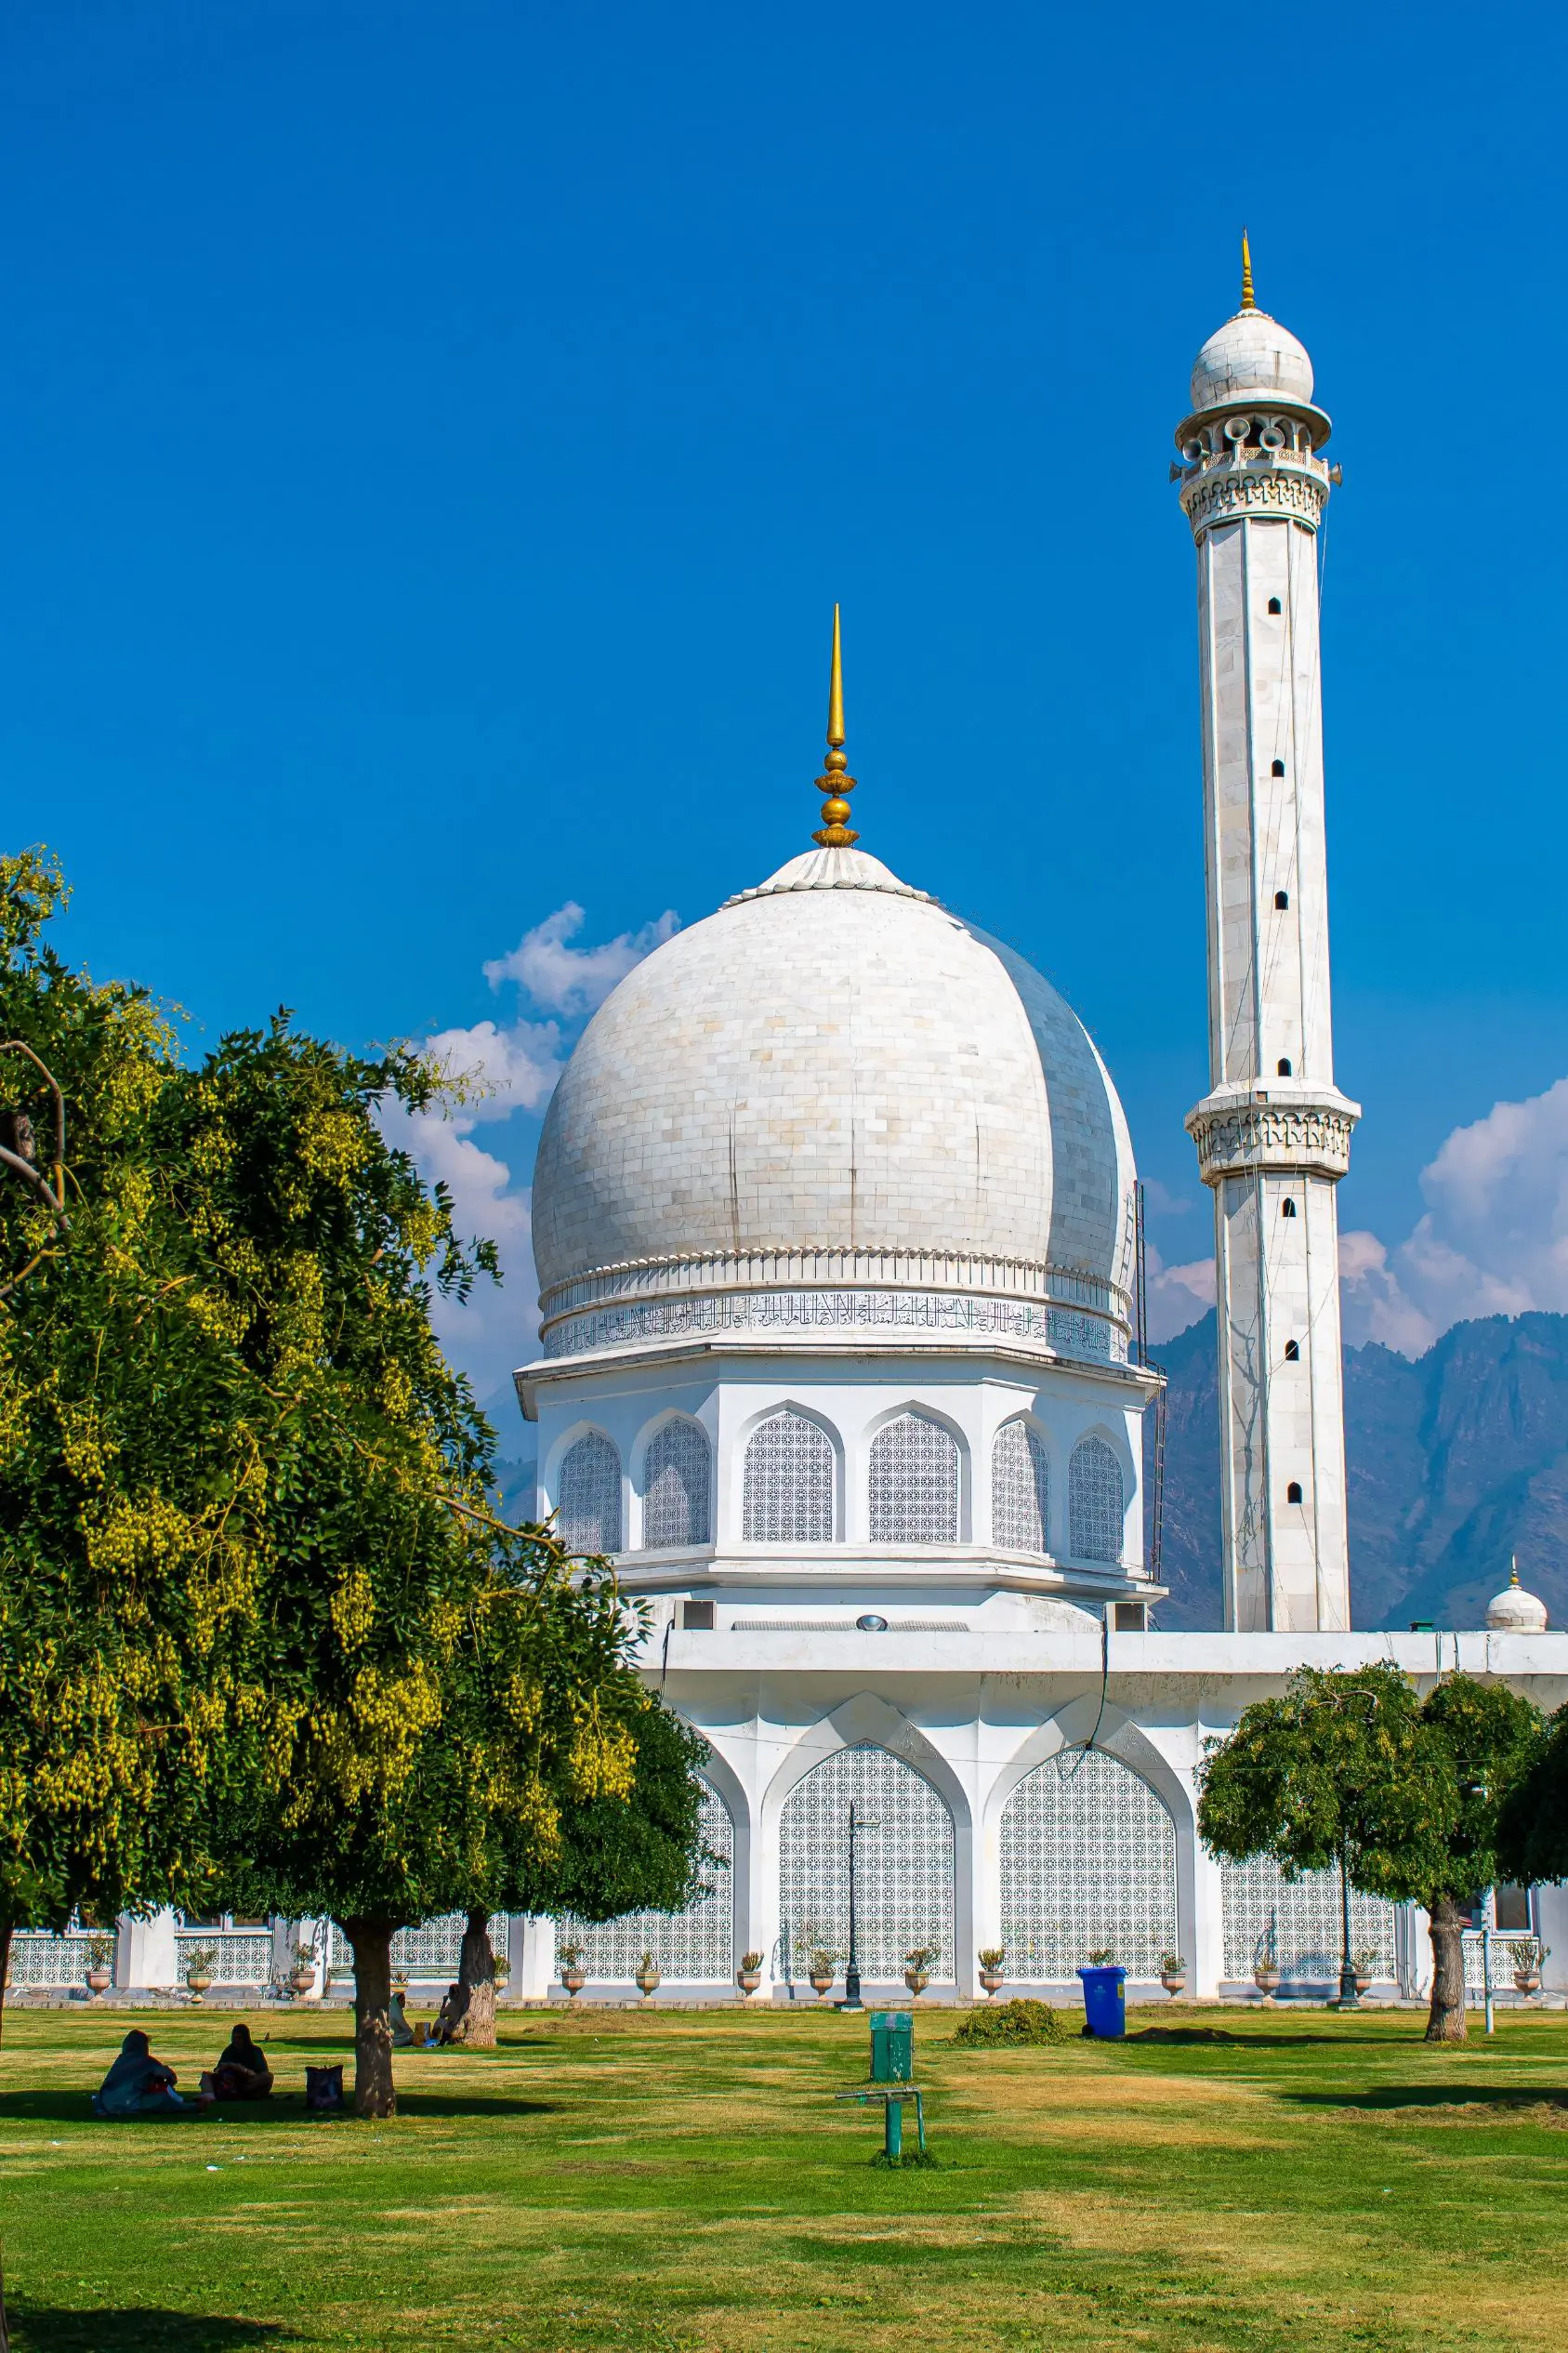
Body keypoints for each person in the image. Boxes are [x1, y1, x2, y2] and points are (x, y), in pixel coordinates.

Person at [93, 2029, 209, 2118]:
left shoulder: (120, 2061)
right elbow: (171, 2076)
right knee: (162, 2100)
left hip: (107, 2103)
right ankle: (192, 2107)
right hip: (128, 2102)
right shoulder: (147, 2062)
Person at [200, 2020, 274, 2102]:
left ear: (245, 2038)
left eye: (239, 2038)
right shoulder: (229, 2050)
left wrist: (240, 2069)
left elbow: (262, 2073)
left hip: (248, 2083)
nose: (236, 2041)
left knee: (268, 2077)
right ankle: (209, 2096)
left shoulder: (255, 2051)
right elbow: (218, 2069)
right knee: (206, 2076)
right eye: (234, 2038)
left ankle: (239, 2093)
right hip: (230, 2082)